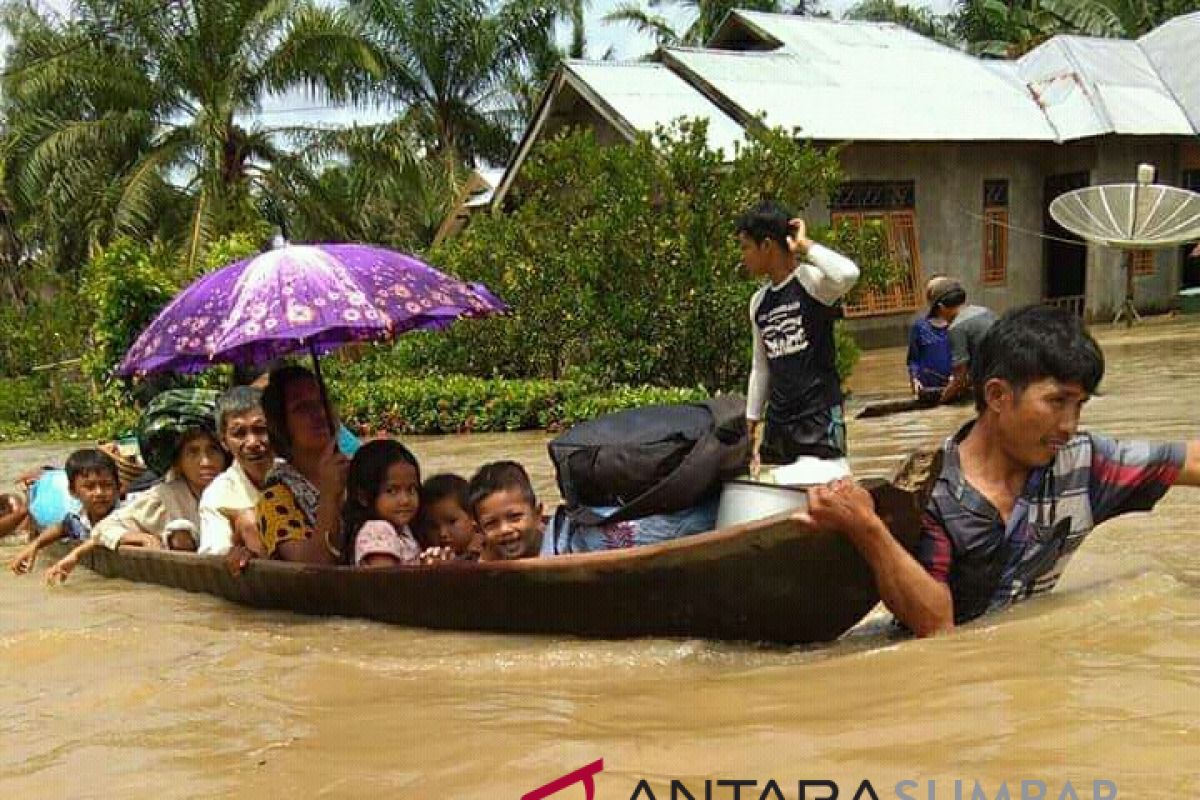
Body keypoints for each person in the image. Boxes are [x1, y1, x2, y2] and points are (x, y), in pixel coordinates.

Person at [808, 305, 1200, 637]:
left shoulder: (1085, 464)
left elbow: (1192, 460)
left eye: (1078, 405)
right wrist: (868, 530)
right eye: (1057, 402)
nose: (1069, 425)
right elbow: (936, 628)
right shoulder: (932, 492)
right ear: (997, 395)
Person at [44, 390, 230, 583]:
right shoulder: (164, 496)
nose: (206, 462)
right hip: (194, 564)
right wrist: (136, 537)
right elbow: (103, 529)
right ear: (178, 462)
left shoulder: (236, 486)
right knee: (180, 531)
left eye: (213, 450)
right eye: (193, 453)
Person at [737, 201, 860, 475]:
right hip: (780, 421)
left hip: (819, 416)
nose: (742, 256)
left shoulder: (811, 282)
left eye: (746, 247)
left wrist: (804, 244)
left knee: (826, 490)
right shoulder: (758, 302)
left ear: (767, 245)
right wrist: (751, 422)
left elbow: (849, 274)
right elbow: (761, 366)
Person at [253, 365, 349, 564]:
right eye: (302, 408)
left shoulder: (361, 472)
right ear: (280, 424)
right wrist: (329, 497)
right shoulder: (275, 499)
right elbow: (309, 568)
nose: (320, 414)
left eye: (322, 402)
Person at [9, 449, 120, 575]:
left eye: (107, 485)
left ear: (118, 487)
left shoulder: (127, 514)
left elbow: (104, 533)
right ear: (72, 491)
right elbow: (62, 527)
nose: (99, 493)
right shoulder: (78, 519)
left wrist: (75, 554)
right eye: (89, 487)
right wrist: (35, 545)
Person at [198, 386, 274, 555]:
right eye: (239, 433)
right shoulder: (217, 496)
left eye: (260, 429)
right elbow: (215, 554)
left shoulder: (297, 474)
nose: (253, 442)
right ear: (224, 442)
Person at [340, 439, 422, 567]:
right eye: (392, 491)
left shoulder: (403, 529)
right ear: (364, 497)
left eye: (411, 489)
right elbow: (385, 582)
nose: (405, 500)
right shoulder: (377, 531)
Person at [925, 277, 997, 403]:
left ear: (941, 308)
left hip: (993, 383)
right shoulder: (985, 311)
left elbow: (960, 379)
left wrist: (942, 402)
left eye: (938, 314)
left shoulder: (956, 327)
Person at [468, 461, 545, 561]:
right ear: (479, 531)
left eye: (514, 517)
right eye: (491, 523)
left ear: (537, 515)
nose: (505, 529)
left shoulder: (561, 548)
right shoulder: (484, 564)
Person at [906, 276, 954, 401]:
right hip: (928, 389)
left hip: (954, 386)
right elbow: (913, 360)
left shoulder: (957, 326)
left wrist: (960, 378)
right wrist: (915, 379)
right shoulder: (920, 327)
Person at [416, 473, 483, 561]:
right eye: (433, 526)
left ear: (472, 517)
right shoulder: (432, 557)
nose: (442, 533)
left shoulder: (489, 549)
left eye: (452, 522)